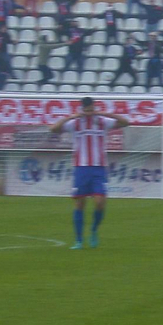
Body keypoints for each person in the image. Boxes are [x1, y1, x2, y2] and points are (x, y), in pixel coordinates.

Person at [48, 97, 131, 249]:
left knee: (100, 203)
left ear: (94, 108)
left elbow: (126, 122)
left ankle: (93, 230)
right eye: (86, 111)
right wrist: (70, 116)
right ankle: (79, 240)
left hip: (99, 168)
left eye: (91, 110)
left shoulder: (101, 121)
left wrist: (106, 113)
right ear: (82, 109)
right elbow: (53, 129)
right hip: (81, 168)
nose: (88, 113)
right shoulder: (75, 123)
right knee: (79, 204)